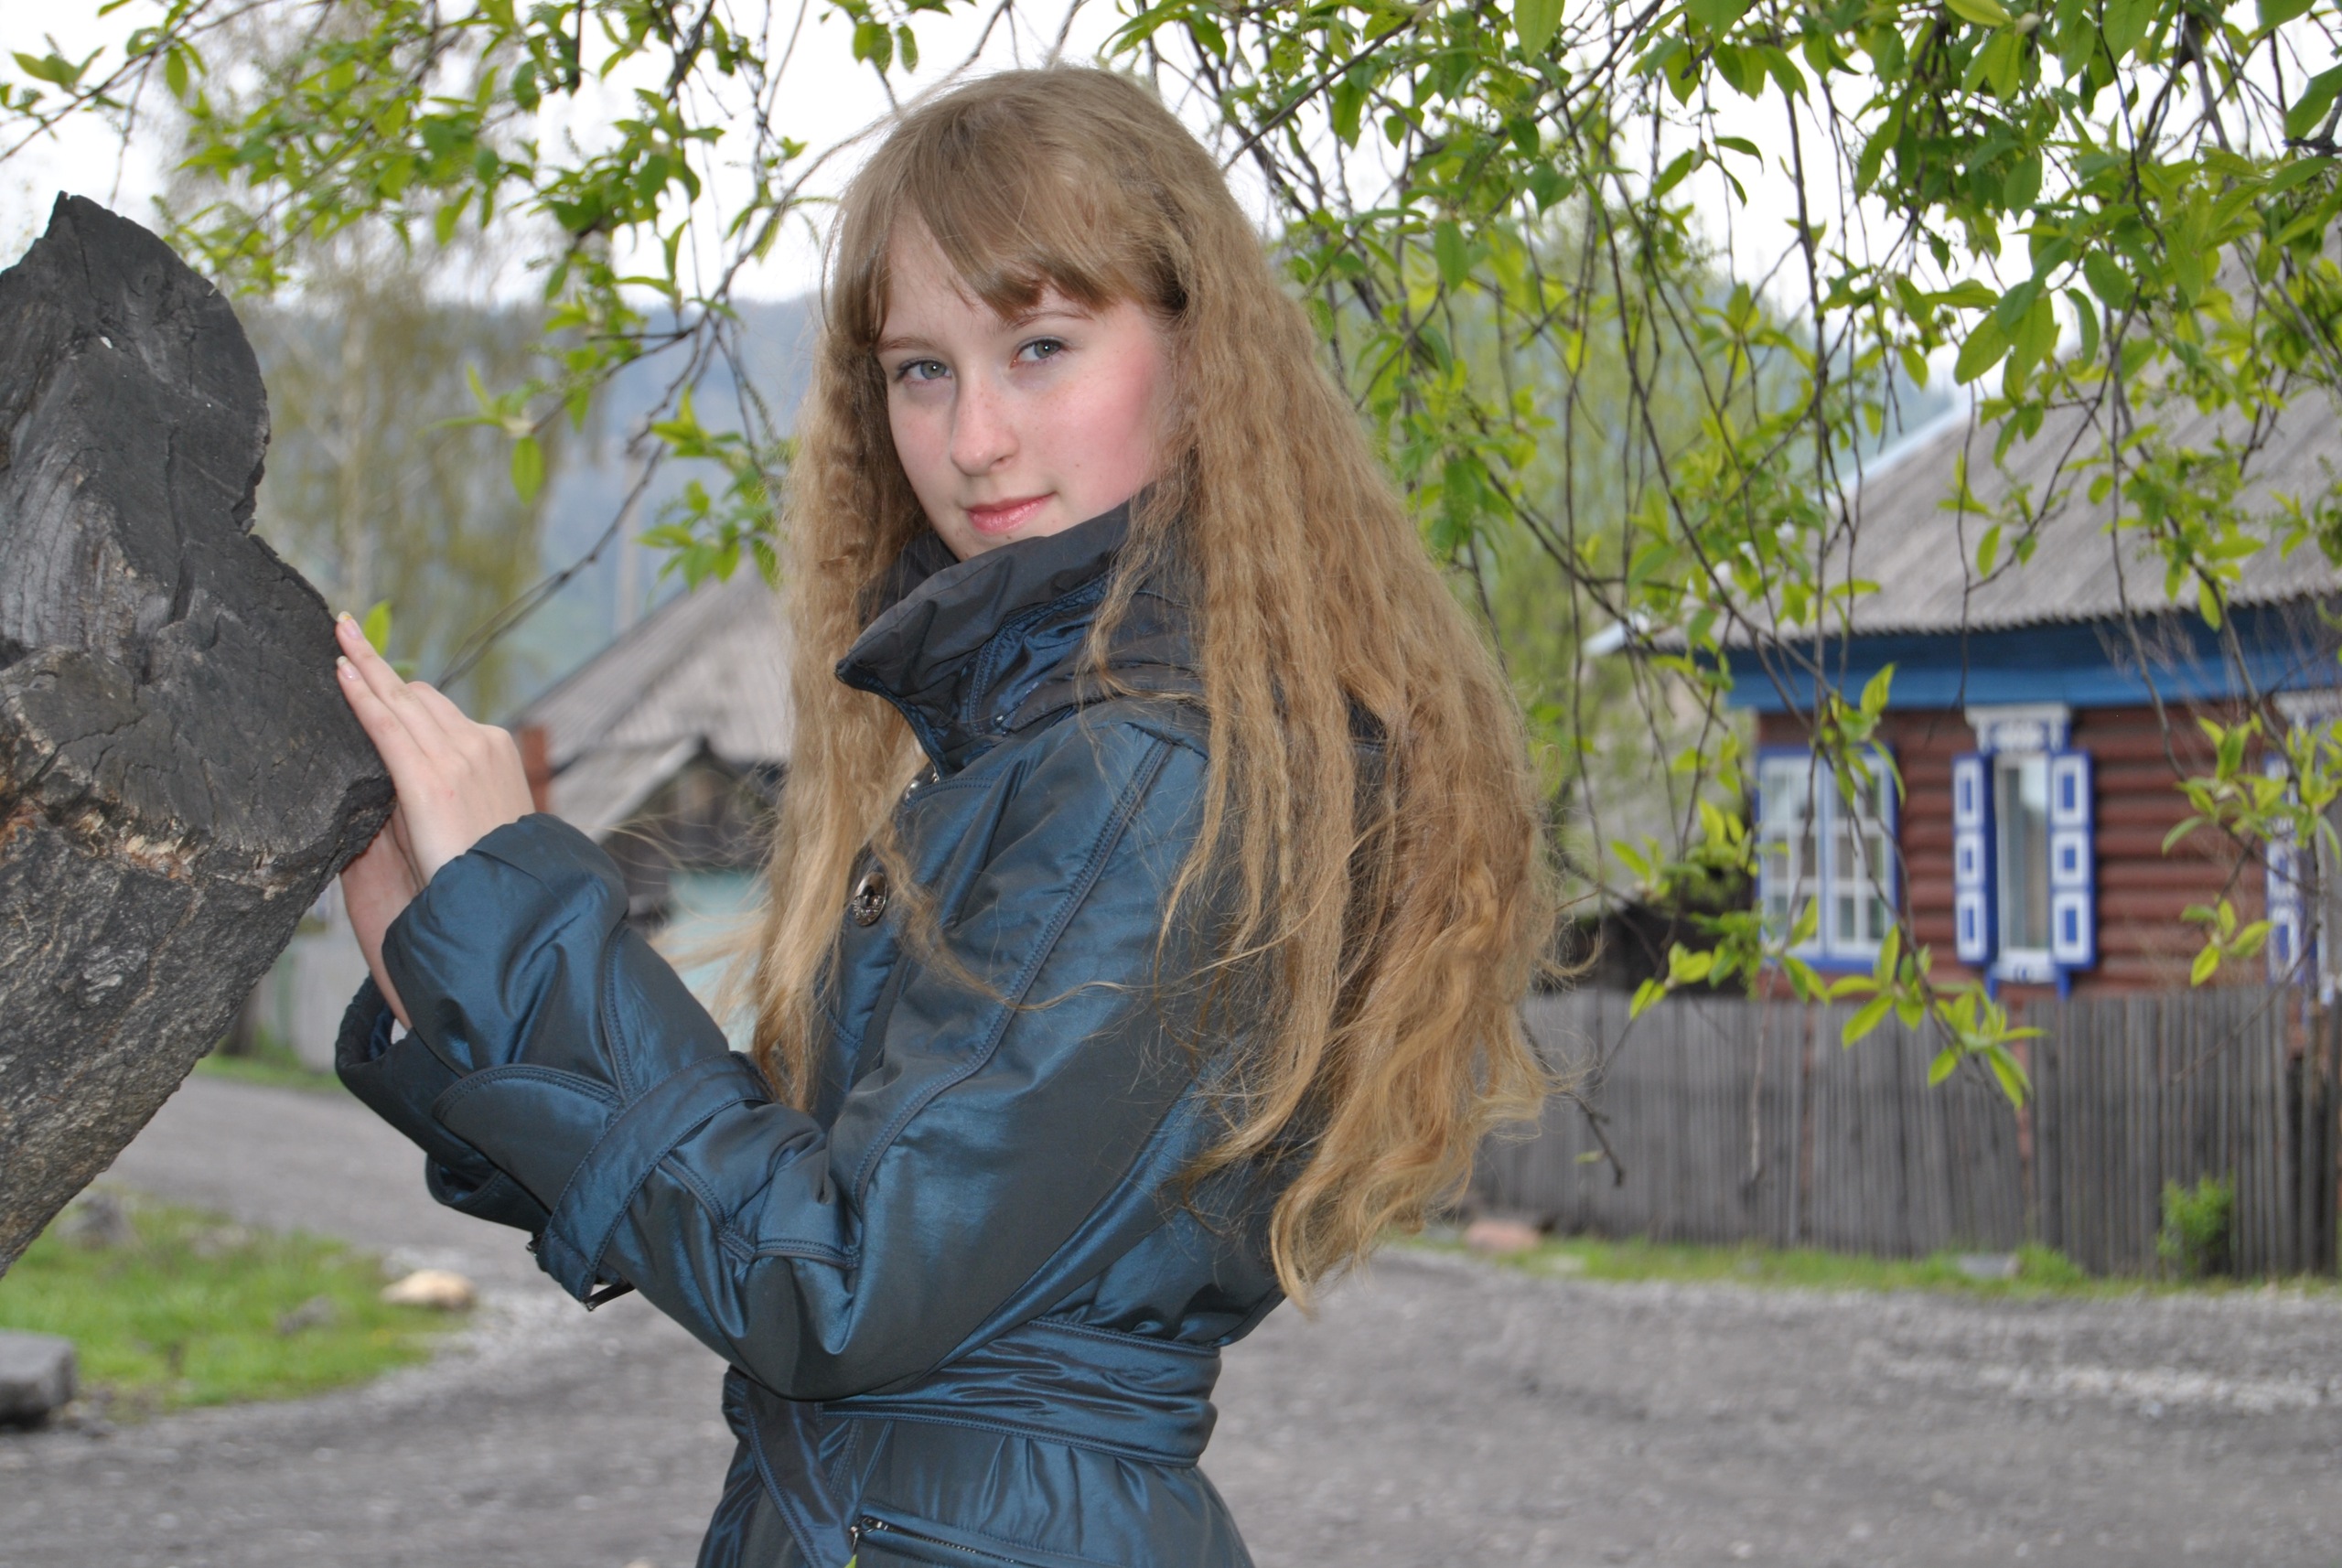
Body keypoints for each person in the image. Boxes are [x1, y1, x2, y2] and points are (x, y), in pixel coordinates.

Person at [328, 65, 1552, 1568]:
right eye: (922, 370)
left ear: (1199, 358)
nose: (973, 437)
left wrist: (520, 924)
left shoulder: (1151, 772)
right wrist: (458, 1003)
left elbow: (833, 1286)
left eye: (1040, 347)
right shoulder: (1048, 745)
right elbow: (791, 1217)